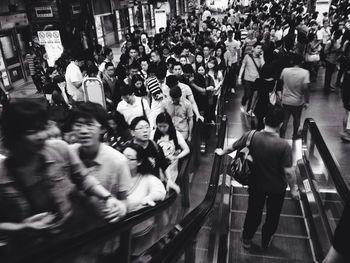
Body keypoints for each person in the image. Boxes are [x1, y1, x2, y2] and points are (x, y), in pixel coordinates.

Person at [0, 100, 127, 242]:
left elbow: (83, 177)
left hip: (75, 238)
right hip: (36, 250)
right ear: (14, 136)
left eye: (42, 128)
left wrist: (108, 197)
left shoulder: (59, 149)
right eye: (32, 131)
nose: (41, 136)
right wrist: (22, 226)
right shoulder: (3, 174)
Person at [215, 105, 300, 250]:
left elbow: (232, 147)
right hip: (277, 188)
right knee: (273, 215)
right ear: (281, 124)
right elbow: (288, 172)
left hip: (256, 184)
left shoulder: (251, 135)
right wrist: (293, 189)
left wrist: (221, 151)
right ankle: (266, 239)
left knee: (254, 211)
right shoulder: (283, 146)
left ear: (265, 119)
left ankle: (247, 239)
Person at [68, 102, 132, 219]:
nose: (83, 131)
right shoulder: (67, 154)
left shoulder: (118, 161)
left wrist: (121, 209)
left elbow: (124, 200)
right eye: (78, 125)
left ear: (102, 128)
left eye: (89, 124)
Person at [129, 116, 180, 193]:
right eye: (140, 128)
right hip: (135, 188)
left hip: (154, 186)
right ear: (132, 132)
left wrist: (169, 180)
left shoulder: (155, 147)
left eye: (147, 127)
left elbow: (164, 165)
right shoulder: (129, 150)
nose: (145, 130)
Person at [124, 143, 166, 212]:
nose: (124, 161)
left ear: (139, 162)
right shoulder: (115, 176)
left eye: (129, 158)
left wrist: (149, 198)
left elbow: (160, 192)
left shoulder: (148, 178)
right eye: (123, 156)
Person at [151, 112, 190, 184]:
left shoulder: (176, 134)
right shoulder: (153, 134)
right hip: (158, 168)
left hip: (171, 168)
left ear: (169, 124)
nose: (162, 129)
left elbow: (187, 149)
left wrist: (177, 157)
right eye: (160, 126)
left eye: (165, 126)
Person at [279, 54, 310, 139]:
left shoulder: (285, 70)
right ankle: (295, 134)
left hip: (285, 100)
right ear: (302, 62)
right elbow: (305, 88)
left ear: (292, 61)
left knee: (284, 120)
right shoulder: (305, 73)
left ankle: (282, 136)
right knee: (296, 119)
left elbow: (281, 82)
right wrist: (307, 101)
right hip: (297, 101)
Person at [238, 42, 265, 116]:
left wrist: (262, 57)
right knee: (248, 94)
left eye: (260, 48)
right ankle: (243, 103)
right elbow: (243, 66)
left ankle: (249, 110)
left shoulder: (260, 58)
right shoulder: (247, 56)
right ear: (253, 48)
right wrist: (239, 77)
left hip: (257, 79)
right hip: (247, 79)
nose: (259, 50)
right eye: (258, 48)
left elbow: (263, 68)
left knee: (254, 96)